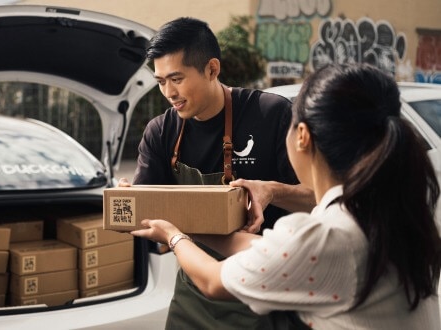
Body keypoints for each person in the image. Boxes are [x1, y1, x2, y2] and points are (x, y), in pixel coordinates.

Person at [131, 63, 441, 329]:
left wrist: (172, 235)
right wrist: (187, 224)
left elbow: (212, 280)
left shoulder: (329, 237)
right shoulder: (383, 211)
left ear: (303, 136)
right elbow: (270, 250)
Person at [119, 17, 315, 328]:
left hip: (265, 294)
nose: (168, 92)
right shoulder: (161, 132)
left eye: (177, 78)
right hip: (194, 294)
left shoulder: (271, 115)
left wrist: (273, 191)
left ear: (212, 69)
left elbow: (320, 201)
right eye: (160, 82)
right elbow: (149, 225)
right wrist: (131, 203)